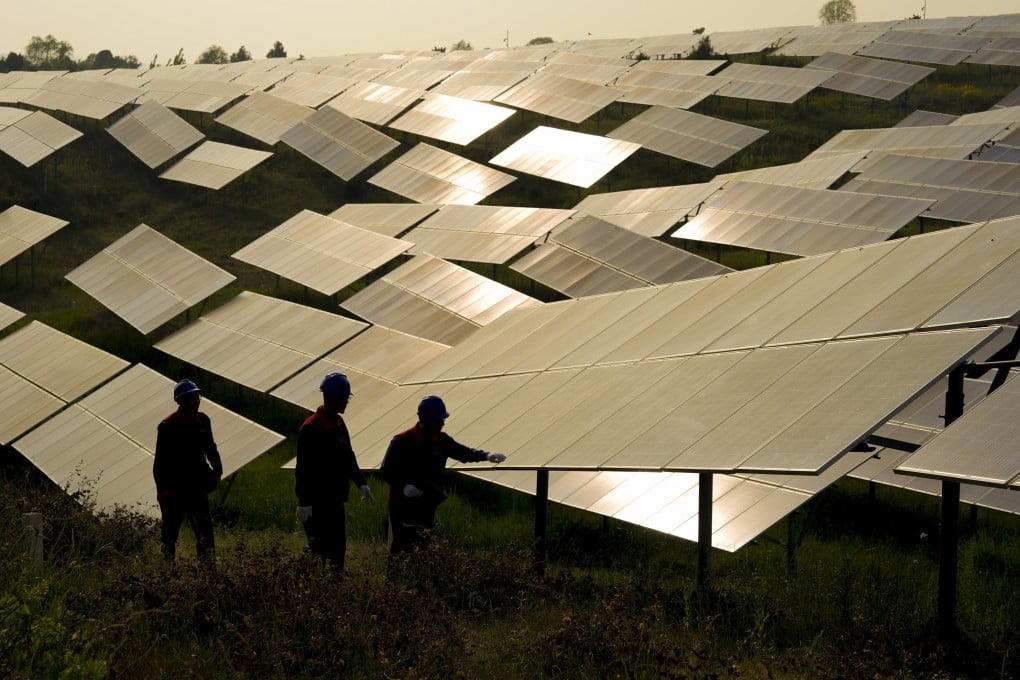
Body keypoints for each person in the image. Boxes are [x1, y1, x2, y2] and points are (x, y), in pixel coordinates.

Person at [380, 395, 506, 555]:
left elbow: (463, 453)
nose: (442, 423)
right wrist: (404, 486)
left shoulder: (441, 440)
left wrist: (486, 455)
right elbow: (386, 470)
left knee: (422, 546)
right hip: (403, 503)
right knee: (402, 546)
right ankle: (396, 579)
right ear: (425, 420)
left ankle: (418, 579)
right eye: (438, 420)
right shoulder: (402, 440)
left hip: (426, 501)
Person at [295, 372, 374, 570]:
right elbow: (304, 468)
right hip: (317, 503)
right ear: (334, 398)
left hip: (336, 499)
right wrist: (304, 502)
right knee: (320, 553)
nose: (347, 402)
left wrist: (361, 483)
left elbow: (348, 456)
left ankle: (334, 594)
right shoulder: (311, 427)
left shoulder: (338, 424)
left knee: (338, 551)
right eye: (345, 398)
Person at [153, 379, 222, 562]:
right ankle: (167, 570)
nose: (196, 401)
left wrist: (217, 472)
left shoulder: (203, 421)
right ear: (181, 401)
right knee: (170, 534)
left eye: (197, 397)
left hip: (197, 486)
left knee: (205, 532)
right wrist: (162, 490)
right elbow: (160, 462)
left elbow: (211, 448)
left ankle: (207, 569)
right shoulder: (168, 426)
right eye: (191, 398)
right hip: (175, 488)